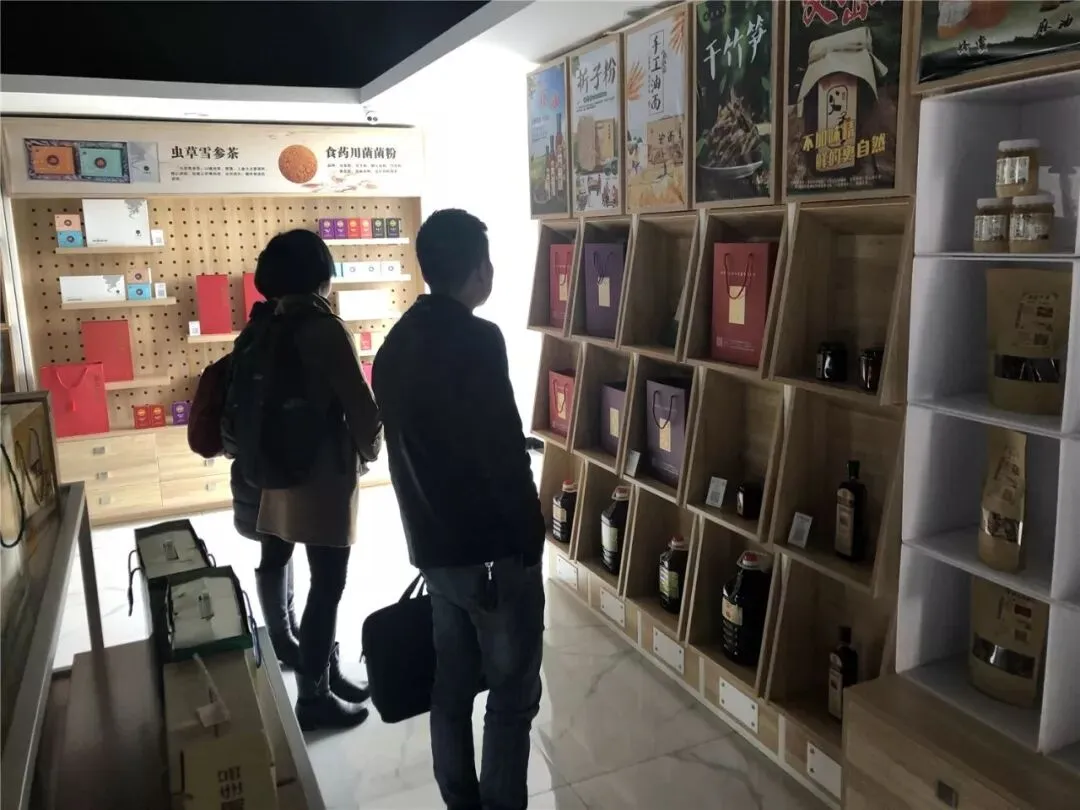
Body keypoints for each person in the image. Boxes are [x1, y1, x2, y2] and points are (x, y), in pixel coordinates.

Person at [372, 209, 545, 810]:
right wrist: (531, 536)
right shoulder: (479, 340)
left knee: (451, 686)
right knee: (511, 695)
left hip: (434, 550)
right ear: (477, 270)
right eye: (486, 262)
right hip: (493, 554)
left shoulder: (394, 345)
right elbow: (501, 452)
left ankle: (459, 801)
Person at [226, 228, 382, 731]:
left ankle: (308, 658)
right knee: (328, 581)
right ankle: (314, 695)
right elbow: (361, 406)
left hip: (270, 473)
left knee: (281, 557)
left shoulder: (260, 326)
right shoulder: (324, 329)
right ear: (321, 275)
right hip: (322, 474)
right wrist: (370, 452)